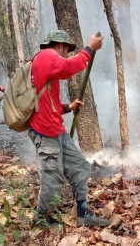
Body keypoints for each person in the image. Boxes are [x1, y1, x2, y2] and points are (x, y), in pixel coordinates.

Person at [29, 30, 110, 227]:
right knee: (52, 174)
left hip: (55, 129)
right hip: (44, 131)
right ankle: (42, 218)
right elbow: (67, 68)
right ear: (60, 45)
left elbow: (49, 101)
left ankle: (83, 213)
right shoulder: (47, 55)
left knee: (79, 166)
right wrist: (89, 49)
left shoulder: (47, 64)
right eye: (67, 49)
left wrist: (67, 107)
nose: (66, 54)